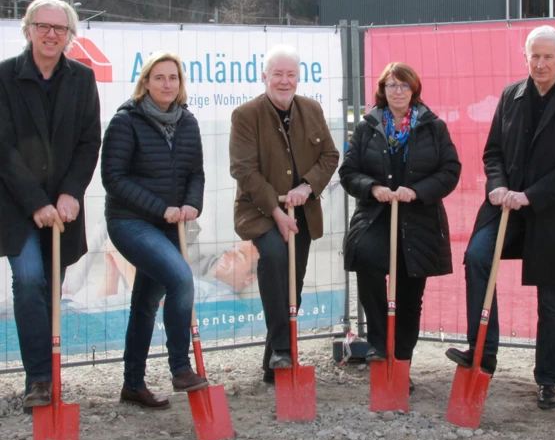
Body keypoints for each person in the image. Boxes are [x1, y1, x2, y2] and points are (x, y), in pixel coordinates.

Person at [449, 25, 555, 410]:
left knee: (551, 300)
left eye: (548, 56)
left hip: (553, 213)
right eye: (534, 55)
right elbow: (493, 152)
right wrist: (497, 186)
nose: (541, 63)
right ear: (525, 57)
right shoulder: (511, 95)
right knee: (478, 257)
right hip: (505, 207)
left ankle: (548, 379)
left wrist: (530, 196)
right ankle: (483, 352)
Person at [0, 0, 101, 409]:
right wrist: (36, 201)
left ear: (69, 36)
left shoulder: (81, 78)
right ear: (28, 29)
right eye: (43, 26)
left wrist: (70, 192)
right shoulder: (5, 76)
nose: (51, 34)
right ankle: (39, 380)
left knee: (50, 289)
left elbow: (88, 140)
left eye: (60, 29)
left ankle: (46, 371)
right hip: (16, 205)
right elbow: (3, 148)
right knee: (28, 281)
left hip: (63, 208)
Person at [339, 63, 461, 381]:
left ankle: (401, 362)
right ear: (382, 90)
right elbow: (348, 172)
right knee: (365, 257)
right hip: (376, 216)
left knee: (409, 293)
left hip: (419, 219)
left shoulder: (433, 126)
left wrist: (417, 192)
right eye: (391, 85)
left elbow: (450, 171)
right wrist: (373, 188)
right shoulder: (368, 126)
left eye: (404, 86)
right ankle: (379, 343)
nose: (397, 92)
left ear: (414, 90)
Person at [101, 51, 207, 409]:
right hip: (131, 222)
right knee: (180, 279)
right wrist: (161, 208)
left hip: (170, 225)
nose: (167, 84)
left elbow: (196, 173)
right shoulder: (126, 122)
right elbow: (113, 179)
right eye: (159, 77)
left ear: (180, 84)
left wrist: (193, 204)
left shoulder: (188, 122)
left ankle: (133, 385)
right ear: (145, 82)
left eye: (173, 78)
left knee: (146, 302)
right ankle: (180, 367)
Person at [229, 44, 339, 383]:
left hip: (303, 212)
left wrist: (307, 187)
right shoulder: (246, 116)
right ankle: (283, 347)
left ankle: (274, 363)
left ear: (298, 77)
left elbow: (330, 156)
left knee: (294, 283)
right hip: (260, 210)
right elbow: (243, 170)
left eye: (290, 74)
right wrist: (276, 212)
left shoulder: (312, 109)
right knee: (275, 258)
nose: (284, 80)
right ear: (264, 77)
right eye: (277, 74)